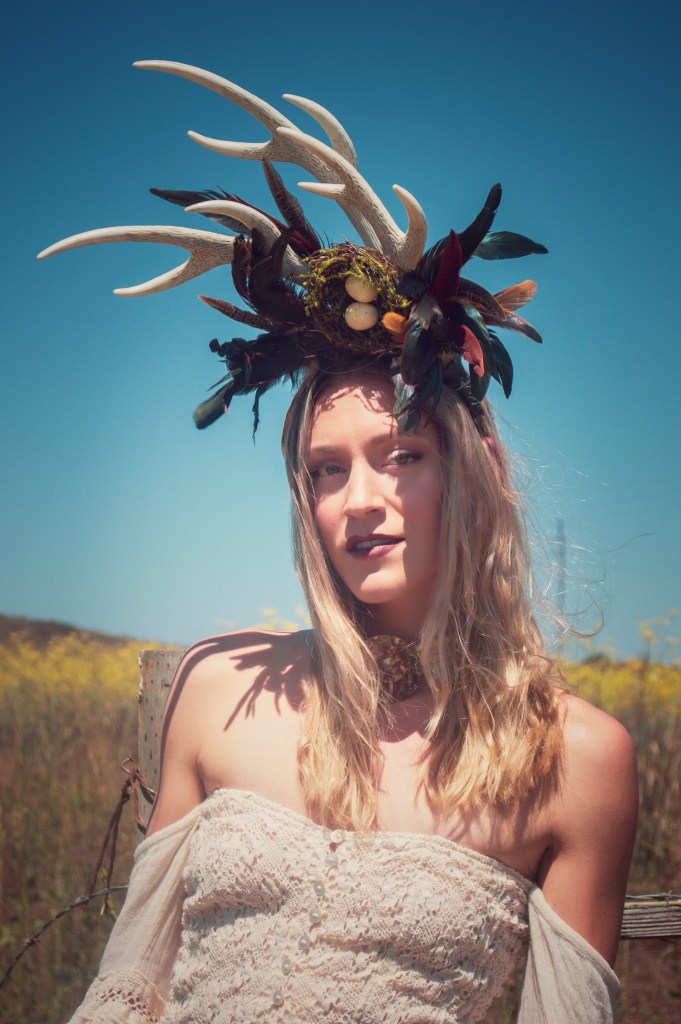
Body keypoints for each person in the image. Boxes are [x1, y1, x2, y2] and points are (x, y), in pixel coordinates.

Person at [40, 61, 638, 1024]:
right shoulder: (217, 689)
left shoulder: (578, 761)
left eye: (398, 454)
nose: (359, 500)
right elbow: (125, 990)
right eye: (325, 470)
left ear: (467, 472)